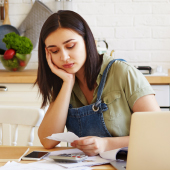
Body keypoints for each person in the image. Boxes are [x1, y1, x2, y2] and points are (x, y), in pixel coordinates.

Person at [35, 10, 161, 156]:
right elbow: (47, 141)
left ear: (88, 41)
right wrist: (68, 83)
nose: (64, 57)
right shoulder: (64, 82)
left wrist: (106, 144)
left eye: (70, 46)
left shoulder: (122, 72)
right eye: (55, 51)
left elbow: (158, 134)